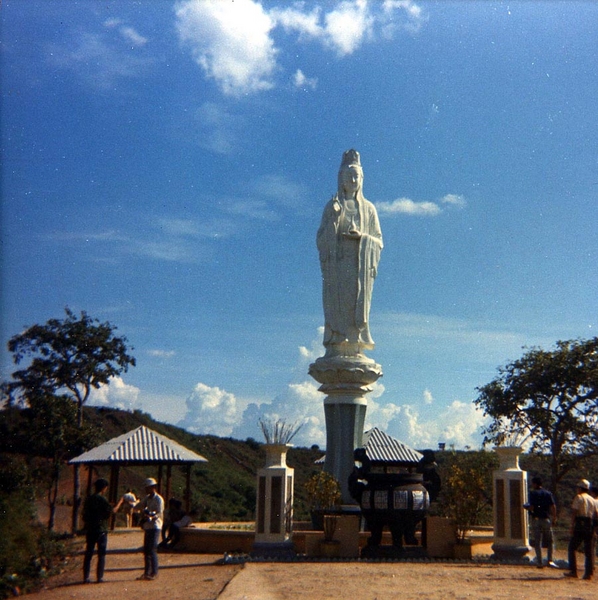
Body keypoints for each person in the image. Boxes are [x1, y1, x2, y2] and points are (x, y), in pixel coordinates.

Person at [317, 149, 383, 358]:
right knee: (337, 303)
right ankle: (337, 338)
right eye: (349, 176)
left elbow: (379, 241)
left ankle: (356, 340)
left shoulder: (369, 209)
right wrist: (335, 220)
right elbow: (321, 241)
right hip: (338, 269)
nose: (353, 180)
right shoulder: (333, 206)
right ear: (342, 179)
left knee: (357, 304)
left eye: (357, 176)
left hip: (359, 268)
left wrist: (363, 238)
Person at [82, 478, 124, 584]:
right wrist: (120, 502)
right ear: (104, 488)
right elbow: (112, 510)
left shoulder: (89, 499)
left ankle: (86, 577)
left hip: (91, 529)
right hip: (101, 530)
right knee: (101, 554)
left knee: (89, 554)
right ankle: (99, 577)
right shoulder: (102, 499)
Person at [565, 479, 598, 580]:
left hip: (580, 523)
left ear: (580, 488)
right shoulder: (593, 499)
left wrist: (572, 526)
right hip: (590, 524)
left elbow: (574, 512)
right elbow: (596, 514)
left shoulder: (578, 497)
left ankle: (573, 571)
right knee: (589, 549)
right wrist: (595, 528)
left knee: (572, 547)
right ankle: (588, 573)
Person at [524, 476, 557, 568]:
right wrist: (554, 517)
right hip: (546, 518)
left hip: (536, 519)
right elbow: (553, 506)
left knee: (538, 541)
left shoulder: (532, 493)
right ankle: (550, 560)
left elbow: (531, 506)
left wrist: (527, 508)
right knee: (550, 541)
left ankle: (539, 561)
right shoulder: (548, 493)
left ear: (535, 484)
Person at [137, 478, 164, 581]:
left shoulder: (159, 499)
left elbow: (159, 512)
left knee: (152, 549)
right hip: (148, 526)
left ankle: (154, 572)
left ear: (153, 488)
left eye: (148, 488)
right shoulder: (147, 499)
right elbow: (139, 506)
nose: (146, 490)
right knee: (147, 550)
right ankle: (147, 572)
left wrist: (151, 516)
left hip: (155, 525)